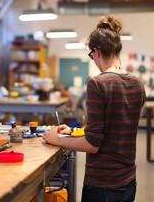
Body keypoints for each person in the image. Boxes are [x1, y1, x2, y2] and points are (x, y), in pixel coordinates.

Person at [43, 15, 146, 202]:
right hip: (128, 181)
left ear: (97, 52)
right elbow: (113, 129)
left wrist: (56, 139)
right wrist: (73, 131)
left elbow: (92, 144)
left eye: (91, 56)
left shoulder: (98, 83)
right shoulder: (138, 83)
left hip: (103, 184)